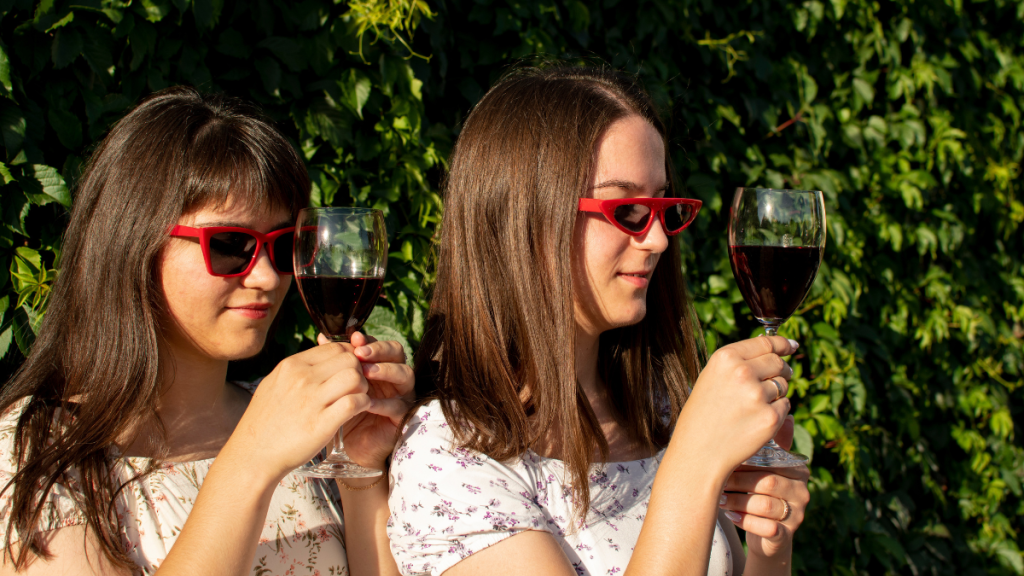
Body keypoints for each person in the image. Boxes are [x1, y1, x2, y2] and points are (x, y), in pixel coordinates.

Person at [387, 66, 811, 576]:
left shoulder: (656, 409)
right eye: (627, 210)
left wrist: (771, 541)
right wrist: (694, 464)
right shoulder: (450, 454)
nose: (657, 240)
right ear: (524, 218)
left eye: (663, 209)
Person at [0, 87, 412, 576]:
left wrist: (361, 469)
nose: (266, 277)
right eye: (231, 245)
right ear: (134, 241)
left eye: (282, 247)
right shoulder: (33, 456)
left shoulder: (309, 429)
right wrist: (250, 461)